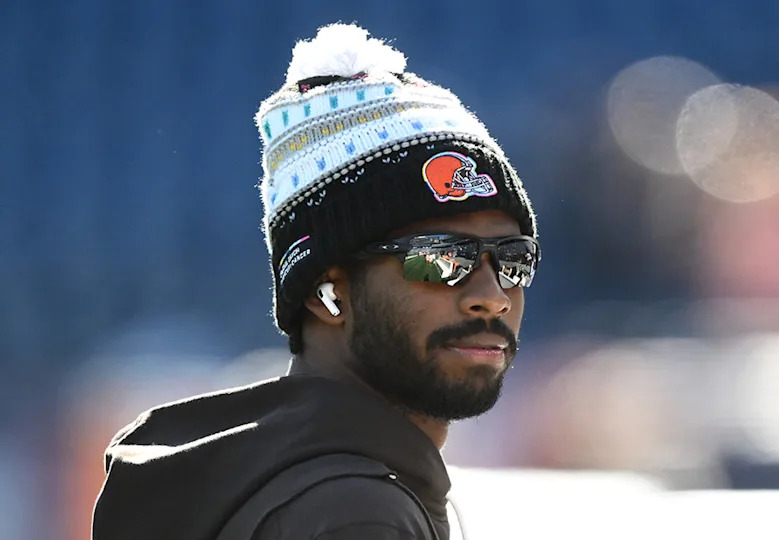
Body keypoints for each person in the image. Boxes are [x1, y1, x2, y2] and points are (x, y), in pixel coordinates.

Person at [91, 23, 539, 540]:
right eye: (441, 260)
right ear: (325, 292)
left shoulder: (294, 486)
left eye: (512, 261)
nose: (492, 298)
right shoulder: (354, 512)